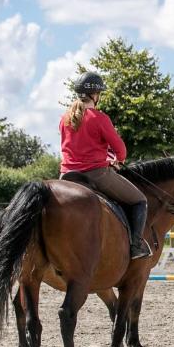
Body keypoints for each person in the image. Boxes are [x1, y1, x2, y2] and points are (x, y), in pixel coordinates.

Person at [59, 72, 152, 259]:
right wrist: (117, 159)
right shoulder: (99, 118)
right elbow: (120, 149)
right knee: (140, 201)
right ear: (95, 95)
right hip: (95, 174)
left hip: (65, 177)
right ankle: (135, 246)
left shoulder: (65, 118)